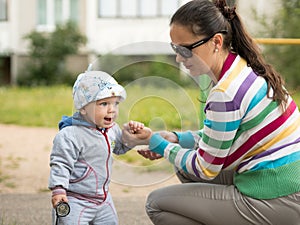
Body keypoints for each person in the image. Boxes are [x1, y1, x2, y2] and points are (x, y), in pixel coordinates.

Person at [122, 0, 300, 224]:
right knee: (184, 169)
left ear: (216, 42)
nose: (179, 57)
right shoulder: (243, 67)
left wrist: (157, 142)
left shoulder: (225, 93)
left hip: (278, 196)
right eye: (175, 48)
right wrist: (177, 139)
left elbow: (204, 168)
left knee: (156, 203)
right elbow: (222, 136)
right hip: (285, 184)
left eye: (185, 49)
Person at [48, 70, 151, 225]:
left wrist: (133, 138)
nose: (112, 109)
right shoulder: (70, 135)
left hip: (103, 201)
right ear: (83, 107)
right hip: (76, 200)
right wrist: (58, 189)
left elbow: (119, 147)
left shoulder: (112, 130)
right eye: (104, 104)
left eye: (115, 103)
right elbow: (61, 163)